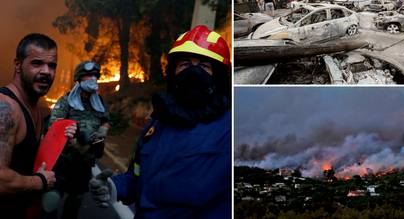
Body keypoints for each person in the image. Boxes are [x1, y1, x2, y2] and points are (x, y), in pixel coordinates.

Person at [89, 25, 231, 219]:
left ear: (219, 78)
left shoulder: (229, 128)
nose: (194, 73)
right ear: (173, 73)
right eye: (185, 65)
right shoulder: (156, 125)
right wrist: (114, 186)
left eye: (204, 66)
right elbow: (138, 177)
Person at [0, 33, 76, 219]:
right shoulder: (6, 108)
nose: (46, 71)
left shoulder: (38, 110)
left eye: (52, 65)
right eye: (37, 63)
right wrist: (40, 181)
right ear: (18, 65)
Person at [41, 61, 111, 219]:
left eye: (95, 76)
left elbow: (106, 119)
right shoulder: (66, 101)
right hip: (64, 161)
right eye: (89, 76)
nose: (93, 79)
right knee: (51, 200)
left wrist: (103, 130)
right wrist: (71, 134)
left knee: (75, 201)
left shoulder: (99, 102)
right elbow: (54, 125)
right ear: (79, 79)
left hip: (84, 163)